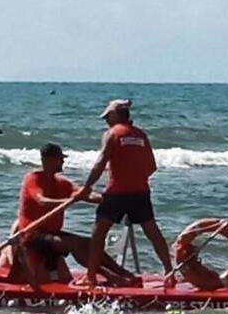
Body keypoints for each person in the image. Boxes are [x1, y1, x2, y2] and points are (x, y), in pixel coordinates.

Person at [3, 142, 139, 286]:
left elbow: (86, 195)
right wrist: (69, 200)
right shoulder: (33, 179)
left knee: (89, 243)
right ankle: (110, 276)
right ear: (47, 160)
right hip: (32, 235)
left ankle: (123, 273)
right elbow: (42, 201)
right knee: (73, 243)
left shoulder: (62, 183)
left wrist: (112, 201)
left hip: (52, 233)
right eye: (59, 158)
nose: (63, 161)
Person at [74, 99, 175, 288]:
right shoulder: (141, 135)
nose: (106, 121)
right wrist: (135, 177)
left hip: (117, 193)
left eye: (107, 117)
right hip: (140, 192)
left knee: (98, 233)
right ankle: (169, 271)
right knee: (153, 232)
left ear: (115, 115)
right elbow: (151, 167)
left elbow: (100, 163)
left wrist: (86, 187)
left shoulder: (112, 134)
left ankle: (91, 276)